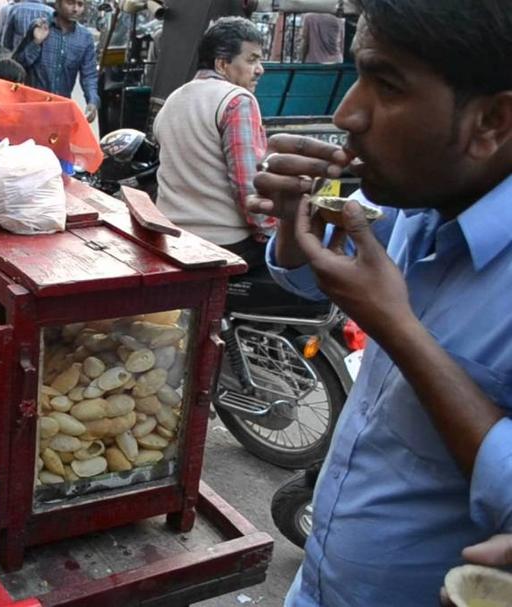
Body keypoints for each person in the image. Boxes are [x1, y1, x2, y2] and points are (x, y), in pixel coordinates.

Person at [247, 0, 512, 604]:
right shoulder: (422, 198)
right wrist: (295, 228)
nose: (347, 112)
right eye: (357, 73)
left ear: (492, 121)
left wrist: (397, 328)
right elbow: (318, 280)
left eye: (386, 84)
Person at [153, 17, 273, 270]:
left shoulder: (174, 98)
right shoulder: (238, 100)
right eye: (251, 60)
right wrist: (272, 230)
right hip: (223, 243)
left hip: (170, 237)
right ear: (222, 64)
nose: (260, 69)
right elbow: (247, 186)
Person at [11, 0, 98, 122]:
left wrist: (92, 101)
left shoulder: (85, 38)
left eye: (80, 4)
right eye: (70, 3)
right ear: (58, 4)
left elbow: (89, 75)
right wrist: (36, 43)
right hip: (32, 109)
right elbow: (17, 66)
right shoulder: (39, 27)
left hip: (60, 111)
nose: (75, 9)